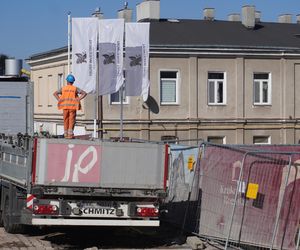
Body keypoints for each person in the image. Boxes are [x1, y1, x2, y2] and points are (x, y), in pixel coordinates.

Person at [53, 74, 87, 139]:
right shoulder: (75, 88)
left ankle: (65, 134)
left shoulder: (63, 88)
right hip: (73, 107)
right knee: (72, 120)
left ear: (67, 81)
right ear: (73, 81)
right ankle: (70, 135)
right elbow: (84, 93)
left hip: (64, 107)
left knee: (65, 120)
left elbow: (55, 93)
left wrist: (59, 100)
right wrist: (78, 99)